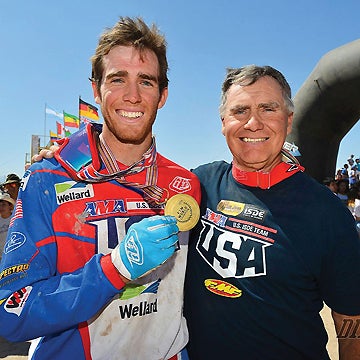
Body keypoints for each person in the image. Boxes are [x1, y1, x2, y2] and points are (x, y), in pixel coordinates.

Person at [0, 16, 200, 360]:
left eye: (146, 82)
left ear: (163, 94)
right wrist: (115, 267)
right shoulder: (49, 180)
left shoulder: (186, 184)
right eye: (117, 79)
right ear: (96, 89)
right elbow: (10, 313)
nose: (133, 96)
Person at [184, 65, 360, 359]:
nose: (254, 123)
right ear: (224, 121)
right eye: (240, 111)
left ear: (289, 121)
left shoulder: (327, 212)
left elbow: (351, 319)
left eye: (268, 109)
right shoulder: (199, 184)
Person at [0, 191, 15, 260]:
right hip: (3, 257)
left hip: (16, 253)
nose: (1, 207)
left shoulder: (16, 219)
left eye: (3, 205)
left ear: (10, 206)